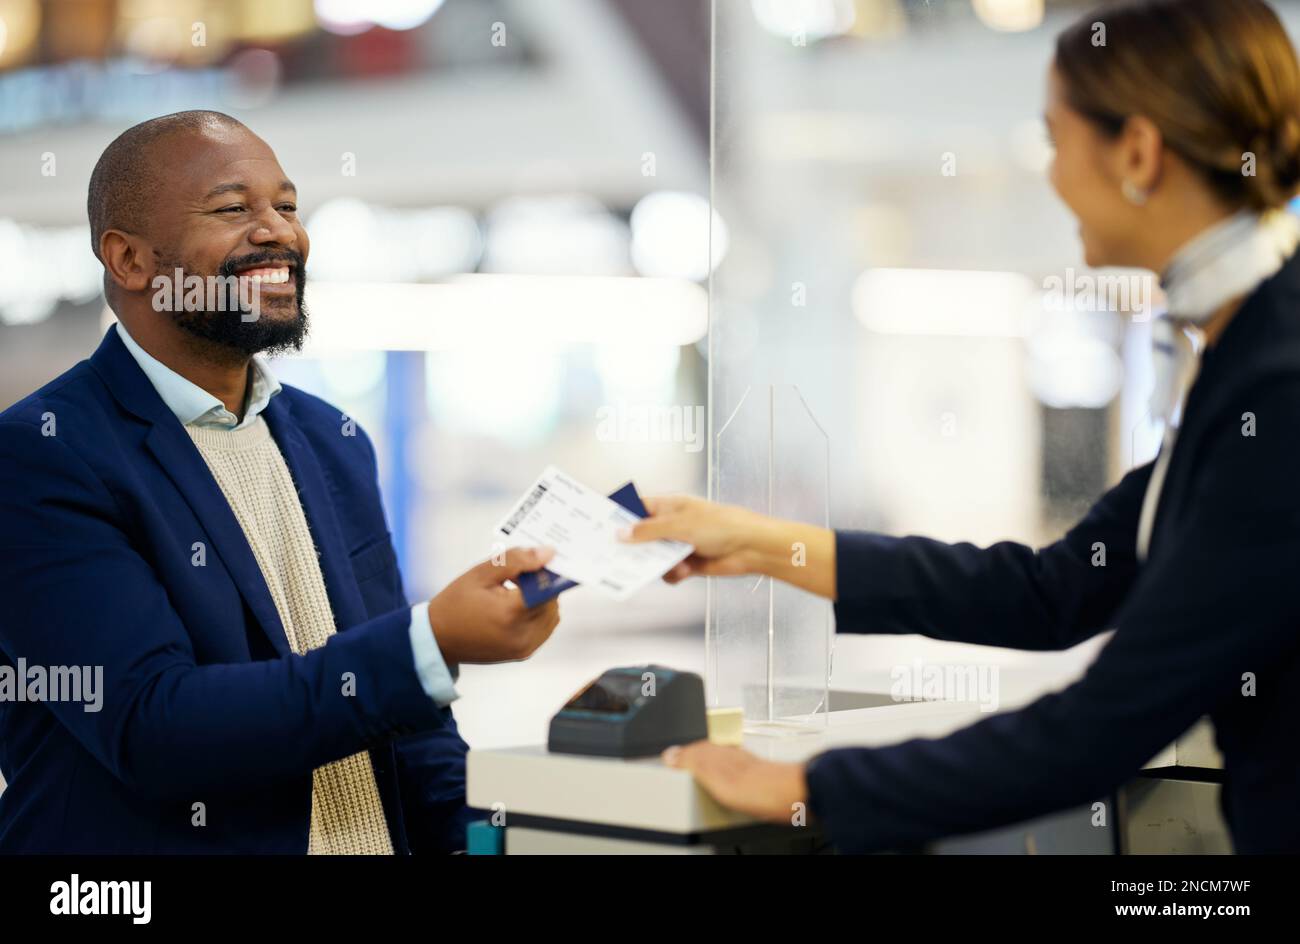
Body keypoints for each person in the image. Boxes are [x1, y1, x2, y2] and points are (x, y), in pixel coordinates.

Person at [626, 0, 1300, 854]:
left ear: (1136, 151)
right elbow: (1055, 590)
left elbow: (1104, 724)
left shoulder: (1277, 386)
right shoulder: (1244, 354)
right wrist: (765, 544)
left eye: (1055, 141)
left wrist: (807, 786)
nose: (1050, 175)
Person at [0, 111, 559, 853]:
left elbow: (412, 726)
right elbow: (151, 726)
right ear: (129, 260)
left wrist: (478, 840)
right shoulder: (44, 455)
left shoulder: (332, 442)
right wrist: (426, 642)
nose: (279, 232)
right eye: (234, 209)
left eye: (287, 206)